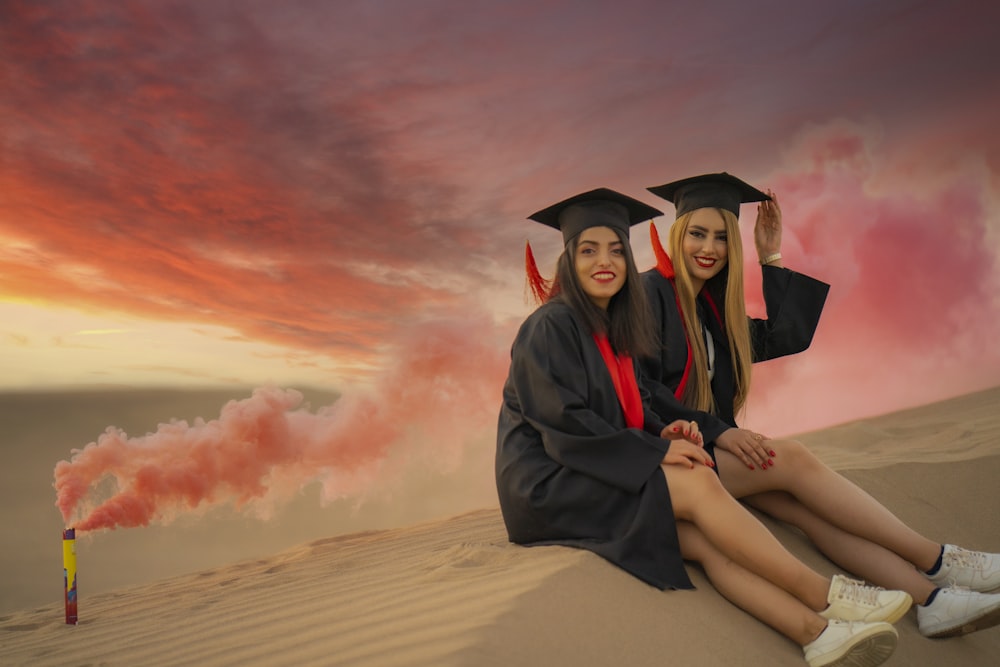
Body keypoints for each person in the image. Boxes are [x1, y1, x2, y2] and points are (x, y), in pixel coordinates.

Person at [495, 188, 910, 667]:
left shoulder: (612, 327)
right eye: (588, 250)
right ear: (569, 261)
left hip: (588, 472)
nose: (604, 261)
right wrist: (654, 453)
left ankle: (817, 634)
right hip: (546, 486)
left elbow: (630, 405)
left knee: (703, 542)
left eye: (616, 250)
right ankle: (827, 594)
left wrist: (664, 433)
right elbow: (563, 424)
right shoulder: (551, 325)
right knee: (697, 481)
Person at [640, 172, 1000, 640]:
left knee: (804, 510)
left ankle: (931, 601)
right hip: (665, 457)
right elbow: (639, 388)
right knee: (790, 458)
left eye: (723, 237)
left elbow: (785, 335)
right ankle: (938, 559)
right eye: (697, 233)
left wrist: (771, 255)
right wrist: (719, 430)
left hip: (711, 455)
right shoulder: (647, 295)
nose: (709, 247)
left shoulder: (713, 309)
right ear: (677, 233)